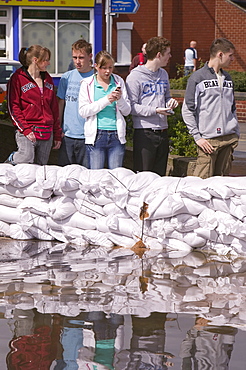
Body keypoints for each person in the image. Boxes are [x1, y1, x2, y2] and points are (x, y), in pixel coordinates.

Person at [182, 37, 239, 179]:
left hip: (228, 139)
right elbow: (188, 109)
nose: (232, 59)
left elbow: (232, 108)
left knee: (222, 185)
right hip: (208, 142)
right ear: (220, 54)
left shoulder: (228, 78)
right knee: (202, 185)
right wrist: (197, 137)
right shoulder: (197, 78)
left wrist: (235, 132)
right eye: (230, 55)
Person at [125, 36, 178, 177]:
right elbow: (131, 107)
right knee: (144, 177)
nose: (170, 56)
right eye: (168, 53)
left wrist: (170, 103)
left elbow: (166, 97)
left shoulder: (164, 74)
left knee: (159, 177)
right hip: (145, 133)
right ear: (159, 55)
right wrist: (155, 110)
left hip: (162, 131)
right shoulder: (134, 76)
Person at [5, 45, 61, 165]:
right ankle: (10, 162)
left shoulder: (48, 79)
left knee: (40, 167)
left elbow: (54, 108)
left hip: (46, 131)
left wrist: (57, 134)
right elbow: (13, 107)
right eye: (46, 60)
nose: (48, 63)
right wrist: (25, 128)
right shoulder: (17, 78)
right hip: (28, 128)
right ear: (35, 60)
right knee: (26, 157)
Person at [78, 50, 131, 170]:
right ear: (96, 66)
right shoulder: (87, 84)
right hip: (96, 135)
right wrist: (106, 100)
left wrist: (120, 99)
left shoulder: (118, 81)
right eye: (104, 68)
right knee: (96, 176)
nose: (108, 71)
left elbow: (127, 111)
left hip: (116, 135)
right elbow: (83, 111)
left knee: (116, 175)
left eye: (110, 67)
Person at [57, 39, 94, 167]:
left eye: (81, 58)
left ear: (90, 56)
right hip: (67, 135)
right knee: (65, 175)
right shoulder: (66, 77)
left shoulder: (96, 78)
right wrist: (59, 128)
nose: (77, 61)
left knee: (86, 177)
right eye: (75, 57)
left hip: (88, 136)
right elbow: (61, 103)